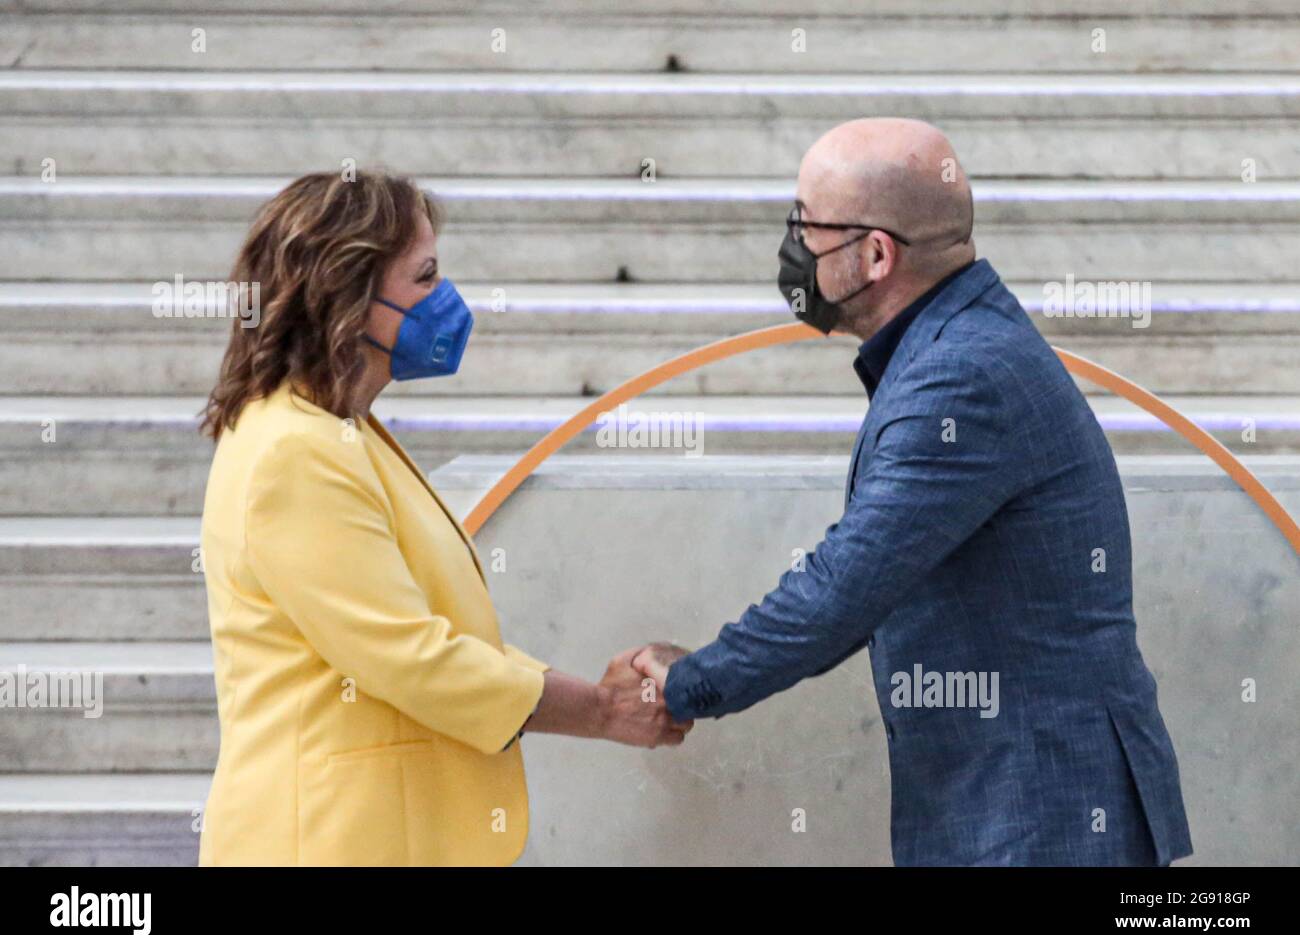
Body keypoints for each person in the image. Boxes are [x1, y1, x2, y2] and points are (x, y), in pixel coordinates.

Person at [634, 118, 1193, 867]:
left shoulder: (960, 376)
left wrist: (687, 683)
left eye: (807, 224)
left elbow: (845, 587)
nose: (793, 244)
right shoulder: (957, 343)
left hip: (1041, 815)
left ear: (874, 255)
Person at [198, 171, 689, 866]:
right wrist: (602, 709)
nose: (448, 299)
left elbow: (423, 638)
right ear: (347, 293)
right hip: (327, 841)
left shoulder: (338, 431)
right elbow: (413, 658)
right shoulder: (294, 453)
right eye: (424, 277)